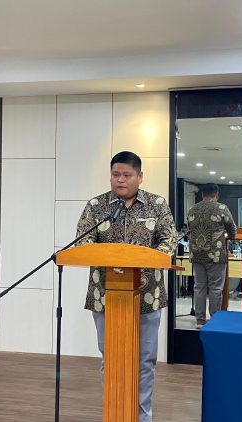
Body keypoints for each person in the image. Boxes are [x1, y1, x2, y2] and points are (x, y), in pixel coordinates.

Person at [76, 151, 177, 422]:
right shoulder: (96, 205)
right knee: (112, 359)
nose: (120, 180)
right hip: (104, 296)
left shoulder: (157, 204)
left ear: (139, 177)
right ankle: (114, 413)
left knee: (144, 361)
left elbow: (169, 241)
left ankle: (142, 417)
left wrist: (145, 258)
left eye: (127, 175)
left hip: (148, 296)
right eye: (115, 174)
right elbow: (83, 242)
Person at [186, 183, 236, 328]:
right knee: (215, 288)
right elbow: (232, 229)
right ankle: (214, 319)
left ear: (202, 195)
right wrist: (230, 236)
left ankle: (200, 320)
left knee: (199, 287)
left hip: (197, 254)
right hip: (216, 254)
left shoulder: (192, 209)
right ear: (216, 195)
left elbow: (189, 229)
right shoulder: (221, 208)